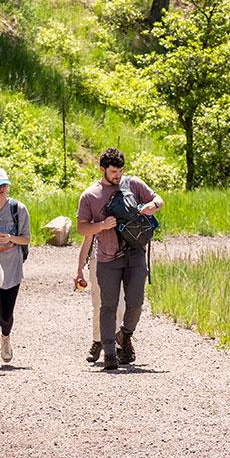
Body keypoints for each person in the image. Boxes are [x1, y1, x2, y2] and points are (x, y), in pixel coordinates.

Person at [76, 147, 163, 370]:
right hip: (107, 258)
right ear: (102, 169)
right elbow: (81, 228)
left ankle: (125, 335)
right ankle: (110, 353)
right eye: (114, 171)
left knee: (136, 303)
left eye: (120, 171)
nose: (118, 176)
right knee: (108, 306)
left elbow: (159, 199)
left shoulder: (133, 184)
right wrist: (102, 225)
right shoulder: (90, 196)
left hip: (135, 253)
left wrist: (152, 206)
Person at [0, 167, 31, 370]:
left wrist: (9, 238)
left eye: (4, 185)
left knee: (6, 316)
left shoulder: (18, 209)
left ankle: (6, 337)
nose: (2, 188)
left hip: (12, 268)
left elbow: (26, 239)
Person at [74, 223, 122, 364]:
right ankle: (97, 340)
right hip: (98, 257)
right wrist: (79, 270)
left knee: (121, 304)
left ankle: (120, 344)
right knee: (99, 304)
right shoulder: (96, 202)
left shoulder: (129, 201)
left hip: (125, 256)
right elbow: (88, 236)